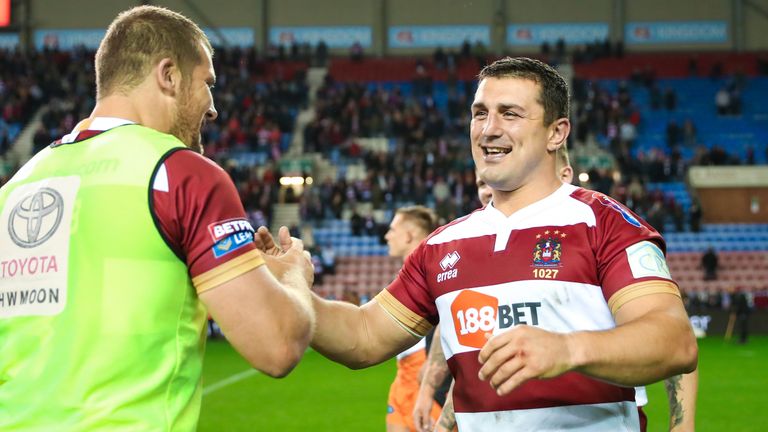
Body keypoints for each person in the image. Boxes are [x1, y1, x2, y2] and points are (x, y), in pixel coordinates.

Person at [259, 57, 697, 431]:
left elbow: (674, 340)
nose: (489, 129)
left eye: (510, 113)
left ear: (556, 133)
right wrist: (293, 291)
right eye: (479, 113)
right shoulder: (442, 246)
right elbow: (364, 336)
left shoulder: (604, 222)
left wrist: (568, 348)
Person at [0, 6, 315, 430]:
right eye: (207, 83)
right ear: (168, 75)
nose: (214, 108)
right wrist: (293, 274)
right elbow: (277, 345)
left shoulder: (15, 188)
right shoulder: (180, 173)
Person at [383, 206, 443, 431]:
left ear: (408, 235)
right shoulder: (405, 277)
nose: (387, 236)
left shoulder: (437, 273)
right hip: (403, 377)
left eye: (392, 230)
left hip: (426, 376)